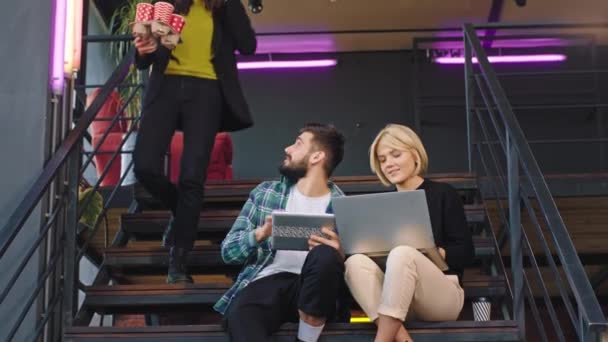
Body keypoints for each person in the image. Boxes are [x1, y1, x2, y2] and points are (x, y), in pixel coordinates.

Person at [132, 0, 256, 284]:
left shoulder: (223, 6)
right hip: (166, 87)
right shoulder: (168, 2)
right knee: (145, 166)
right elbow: (144, 55)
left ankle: (179, 258)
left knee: (192, 178)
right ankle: (180, 209)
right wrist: (142, 51)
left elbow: (248, 45)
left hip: (207, 92)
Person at [214, 123, 348, 342]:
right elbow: (228, 252)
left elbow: (358, 268)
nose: (288, 148)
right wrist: (260, 234)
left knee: (325, 255)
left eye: (297, 144)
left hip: (316, 289)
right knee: (241, 313)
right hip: (269, 282)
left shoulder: (343, 206)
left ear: (316, 157)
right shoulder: (266, 192)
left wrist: (341, 254)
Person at [344, 124, 474, 342]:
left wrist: (431, 252)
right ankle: (402, 337)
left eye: (396, 154)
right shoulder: (379, 204)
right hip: (393, 298)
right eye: (382, 159)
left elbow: (467, 253)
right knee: (354, 262)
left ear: (415, 154)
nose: (389, 164)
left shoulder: (444, 194)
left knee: (403, 252)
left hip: (440, 296)